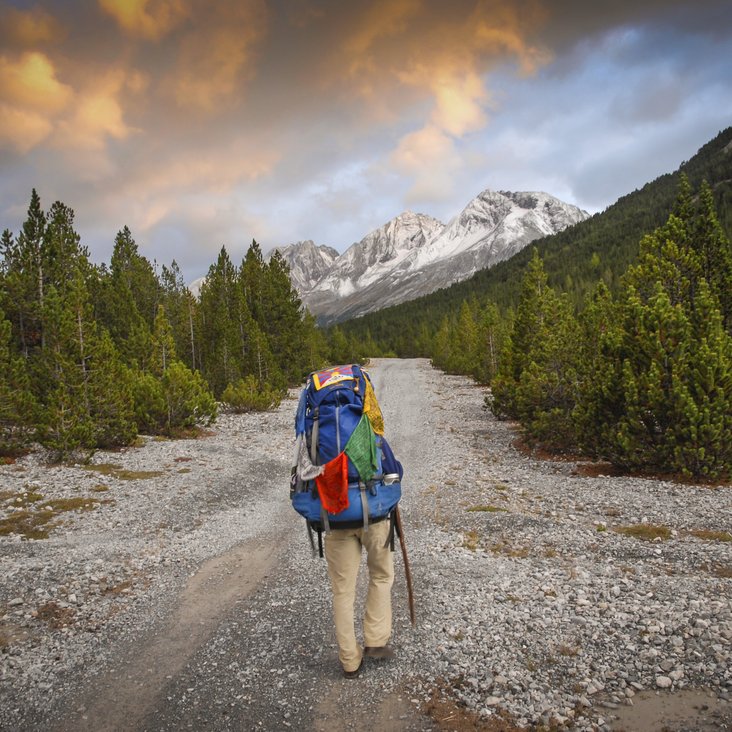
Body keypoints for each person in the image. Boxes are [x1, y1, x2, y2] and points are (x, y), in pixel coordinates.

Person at [324, 518, 395, 678]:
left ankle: (350, 661)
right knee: (381, 577)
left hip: (336, 521)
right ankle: (376, 641)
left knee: (342, 592)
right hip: (375, 517)